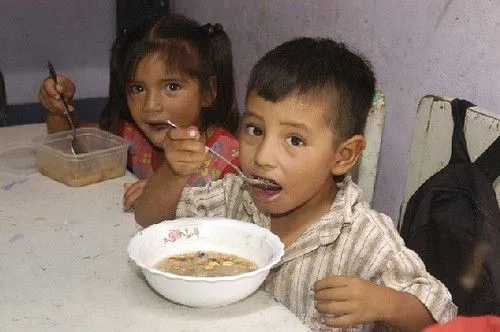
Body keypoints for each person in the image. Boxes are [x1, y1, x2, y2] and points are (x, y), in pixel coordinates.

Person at [134, 37, 457, 330]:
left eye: (294, 139)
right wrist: (173, 174)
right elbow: (150, 221)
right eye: (255, 130)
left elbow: (442, 316)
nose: (263, 157)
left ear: (344, 156)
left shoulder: (363, 237)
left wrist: (385, 303)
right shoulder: (236, 197)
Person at [38, 14, 240, 210]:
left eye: (172, 87)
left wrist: (158, 195)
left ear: (208, 92)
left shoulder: (232, 161)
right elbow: (69, 144)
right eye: (138, 89)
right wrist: (58, 109)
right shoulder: (133, 139)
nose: (150, 106)